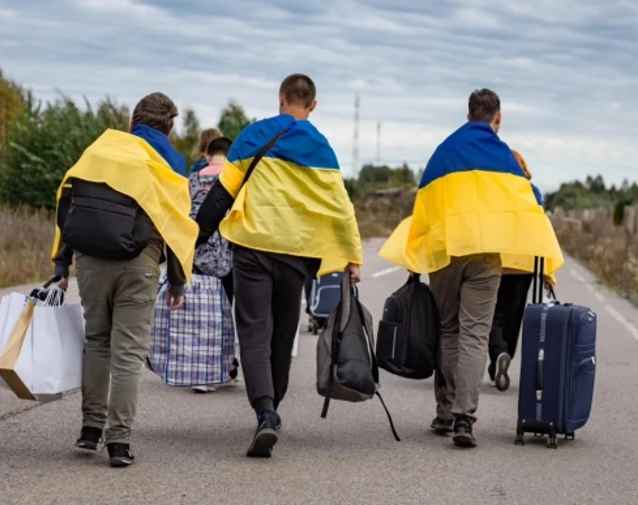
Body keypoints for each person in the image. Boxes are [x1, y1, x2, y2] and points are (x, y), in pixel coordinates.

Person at [378, 88, 563, 448]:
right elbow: (528, 207)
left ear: (468, 115)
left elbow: (424, 208)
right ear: (498, 118)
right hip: (485, 257)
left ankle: (445, 412)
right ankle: (464, 417)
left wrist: (415, 256)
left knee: (448, 330)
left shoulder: (444, 152)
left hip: (447, 253)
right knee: (476, 334)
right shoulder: (505, 158)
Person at [195, 73, 363, 458]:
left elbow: (222, 194)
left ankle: (265, 412)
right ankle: (273, 409)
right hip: (296, 253)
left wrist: (193, 241)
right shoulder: (322, 148)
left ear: (281, 98)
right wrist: (352, 257)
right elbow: (341, 207)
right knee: (283, 335)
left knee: (254, 330)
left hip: (252, 247)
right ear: (312, 105)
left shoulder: (254, 135)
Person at [50, 92, 199, 467]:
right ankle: (118, 442)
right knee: (128, 354)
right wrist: (177, 281)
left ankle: (90, 430)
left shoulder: (100, 149)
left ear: (132, 124)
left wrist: (60, 265)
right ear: (169, 129)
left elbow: (68, 203)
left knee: (97, 342)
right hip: (139, 261)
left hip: (89, 260)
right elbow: (177, 224)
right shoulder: (170, 161)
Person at [486, 149, 542, 391]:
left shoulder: (492, 190)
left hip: (496, 259)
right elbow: (541, 229)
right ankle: (503, 357)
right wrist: (548, 271)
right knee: (514, 315)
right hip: (524, 262)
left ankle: (498, 354)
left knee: (492, 313)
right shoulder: (533, 192)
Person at [188, 135, 239, 393]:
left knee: (198, 313)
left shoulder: (192, 180)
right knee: (224, 313)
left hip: (197, 254)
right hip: (229, 256)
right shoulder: (235, 180)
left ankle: (200, 371)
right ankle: (225, 368)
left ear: (207, 154)